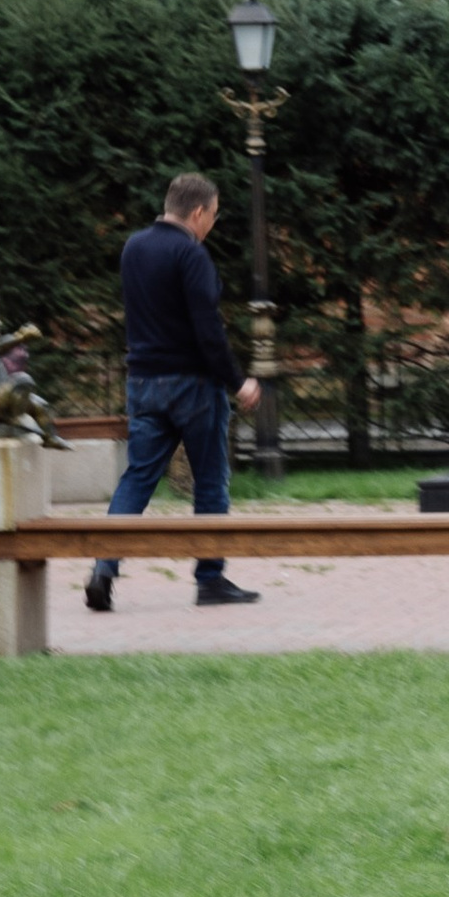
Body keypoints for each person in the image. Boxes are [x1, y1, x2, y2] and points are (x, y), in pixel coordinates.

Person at [86, 176, 262, 612]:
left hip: (143, 381)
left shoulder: (134, 248)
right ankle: (210, 579)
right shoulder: (191, 254)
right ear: (199, 212)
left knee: (138, 476)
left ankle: (103, 569)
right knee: (210, 479)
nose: (213, 224)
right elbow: (208, 330)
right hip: (193, 385)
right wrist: (237, 381)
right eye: (214, 215)